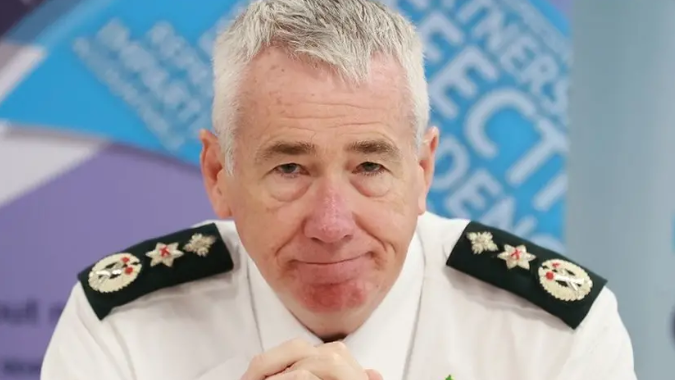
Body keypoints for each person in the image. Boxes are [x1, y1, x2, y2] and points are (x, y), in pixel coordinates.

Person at [41, 0, 638, 379]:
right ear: (218, 175)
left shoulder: (553, 336)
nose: (331, 223)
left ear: (423, 170)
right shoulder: (121, 328)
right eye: (289, 169)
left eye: (370, 167)